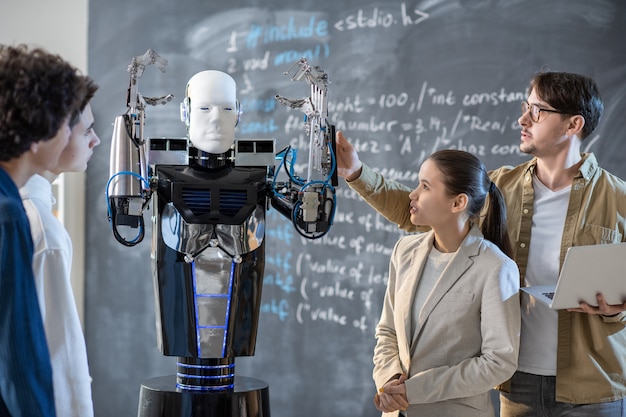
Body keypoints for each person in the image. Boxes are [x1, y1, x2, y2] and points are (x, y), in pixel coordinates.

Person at [336, 71, 626, 417]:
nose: (522, 119)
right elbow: (424, 210)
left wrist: (620, 307)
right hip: (517, 384)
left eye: (537, 111)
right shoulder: (500, 186)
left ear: (572, 124)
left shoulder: (618, 198)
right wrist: (356, 173)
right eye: (525, 107)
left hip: (593, 388)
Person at [372, 149, 520, 417]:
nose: (412, 194)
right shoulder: (404, 251)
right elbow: (388, 332)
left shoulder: (495, 268)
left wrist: (415, 390)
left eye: (425, 187)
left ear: (458, 203)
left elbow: (498, 362)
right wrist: (388, 380)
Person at [0, 44, 89, 416]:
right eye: (66, 122)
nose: (70, 134)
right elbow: (19, 357)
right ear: (37, 131)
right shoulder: (9, 216)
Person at [20, 78, 100, 417]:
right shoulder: (43, 231)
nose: (95, 140)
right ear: (54, 134)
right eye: (86, 132)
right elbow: (63, 358)